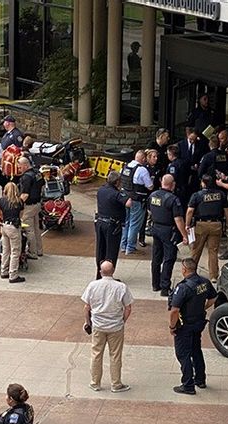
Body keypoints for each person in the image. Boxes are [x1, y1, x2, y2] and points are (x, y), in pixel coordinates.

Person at [82, 261, 133, 392]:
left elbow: (86, 307)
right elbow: (128, 308)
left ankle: (95, 383)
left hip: (98, 325)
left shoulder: (93, 285)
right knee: (115, 355)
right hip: (116, 326)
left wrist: (88, 322)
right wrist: (122, 321)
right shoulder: (121, 287)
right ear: (113, 270)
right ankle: (116, 384)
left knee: (96, 354)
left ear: (100, 271)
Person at [169, 258, 217, 395]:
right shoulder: (204, 282)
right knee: (196, 350)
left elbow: (174, 310)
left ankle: (188, 385)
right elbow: (213, 298)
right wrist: (203, 308)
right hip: (198, 322)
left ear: (184, 269)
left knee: (183, 354)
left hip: (185, 325)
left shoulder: (183, 287)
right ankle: (200, 379)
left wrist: (172, 326)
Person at [148, 174, 187, 297]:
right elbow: (178, 219)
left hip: (155, 227)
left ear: (161, 182)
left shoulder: (152, 195)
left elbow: (149, 210)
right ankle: (165, 287)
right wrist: (184, 235)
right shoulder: (173, 199)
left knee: (156, 257)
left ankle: (155, 284)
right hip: (168, 230)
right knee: (169, 258)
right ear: (173, 184)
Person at [186, 175, 228, 281]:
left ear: (203, 183)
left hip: (201, 225)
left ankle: (191, 273)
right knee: (213, 251)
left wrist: (187, 224)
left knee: (196, 250)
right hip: (216, 224)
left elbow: (190, 211)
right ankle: (213, 275)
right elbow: (227, 210)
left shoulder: (197, 195)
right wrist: (226, 224)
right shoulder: (221, 194)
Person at [94, 171, 132, 279]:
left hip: (100, 223)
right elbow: (129, 203)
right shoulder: (116, 193)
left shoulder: (101, 190)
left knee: (100, 249)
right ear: (117, 182)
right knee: (111, 251)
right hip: (112, 226)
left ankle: (99, 274)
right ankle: (108, 275)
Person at [0, 182, 26, 283]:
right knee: (15, 251)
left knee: (6, 250)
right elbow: (21, 215)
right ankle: (13, 275)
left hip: (5, 226)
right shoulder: (19, 202)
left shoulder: (2, 200)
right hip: (14, 227)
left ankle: (4, 271)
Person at [120, 150, 154, 255]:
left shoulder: (126, 167)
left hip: (125, 199)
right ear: (143, 159)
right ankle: (130, 247)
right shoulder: (142, 170)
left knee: (126, 223)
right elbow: (150, 186)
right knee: (134, 224)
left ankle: (123, 245)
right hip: (137, 200)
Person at [17, 157, 45, 259]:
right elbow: (42, 186)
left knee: (29, 230)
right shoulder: (37, 173)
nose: (19, 169)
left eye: (19, 167)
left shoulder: (26, 177)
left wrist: (16, 205)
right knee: (36, 229)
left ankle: (32, 252)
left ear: (25, 165)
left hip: (28, 207)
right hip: (37, 204)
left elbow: (25, 195)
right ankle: (39, 250)